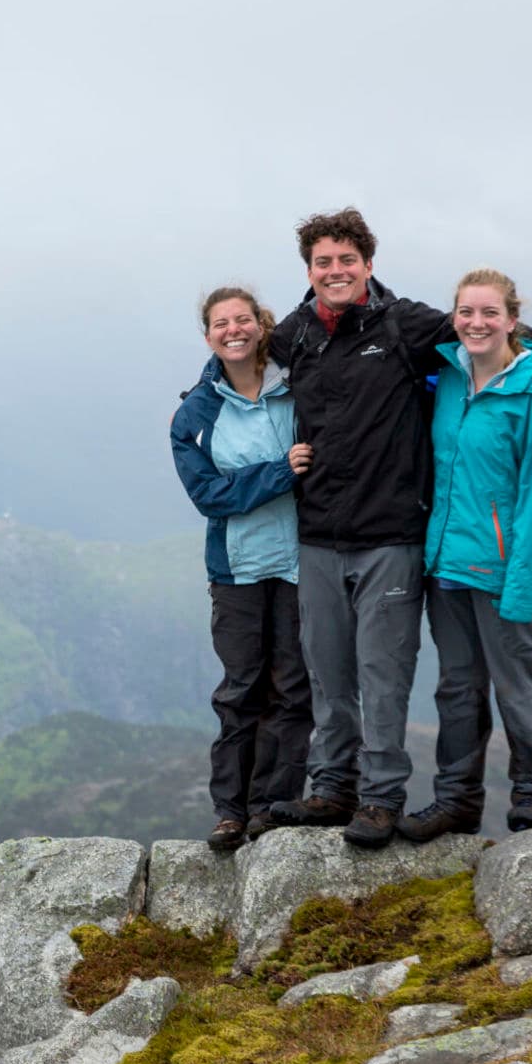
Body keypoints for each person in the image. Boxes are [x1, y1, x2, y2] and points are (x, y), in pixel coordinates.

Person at [263, 208, 532, 849]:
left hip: (396, 538)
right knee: (344, 674)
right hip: (337, 535)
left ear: (369, 264)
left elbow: (485, 335)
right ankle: (342, 790)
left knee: (392, 676)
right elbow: (236, 365)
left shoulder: (407, 325)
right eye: (324, 261)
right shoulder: (292, 335)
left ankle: (392, 799)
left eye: (348, 259)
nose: (336, 270)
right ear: (309, 270)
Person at [395, 269, 532, 841]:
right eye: (466, 312)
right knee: (456, 689)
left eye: (489, 313)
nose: (476, 323)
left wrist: (523, 584)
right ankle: (456, 801)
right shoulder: (445, 379)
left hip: (502, 572)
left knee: (514, 686)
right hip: (446, 567)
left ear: (512, 320)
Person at [169, 287, 315, 852]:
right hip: (237, 568)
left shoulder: (298, 386)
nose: (234, 330)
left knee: (293, 688)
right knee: (241, 690)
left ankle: (272, 807)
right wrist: (280, 473)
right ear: (208, 337)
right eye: (221, 324)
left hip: (304, 559)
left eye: (243, 319)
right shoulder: (195, 415)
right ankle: (230, 811)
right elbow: (209, 495)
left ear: (260, 325)